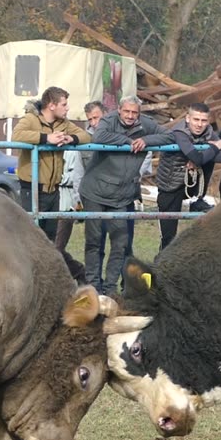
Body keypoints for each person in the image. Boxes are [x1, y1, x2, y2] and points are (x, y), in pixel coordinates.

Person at [78, 95, 170, 295]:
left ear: (139, 113)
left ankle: (110, 288)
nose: (130, 116)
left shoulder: (146, 124)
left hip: (122, 194)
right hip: (95, 191)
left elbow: (168, 136)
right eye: (126, 111)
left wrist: (145, 140)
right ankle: (94, 286)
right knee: (94, 240)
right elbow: (98, 137)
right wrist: (128, 141)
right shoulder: (108, 120)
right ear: (119, 110)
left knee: (120, 243)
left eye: (134, 112)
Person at [12, 86, 91, 240]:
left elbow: (85, 136)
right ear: (51, 105)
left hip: (54, 190)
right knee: (32, 237)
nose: (67, 108)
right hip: (33, 188)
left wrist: (71, 139)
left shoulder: (64, 123)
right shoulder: (30, 119)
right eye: (64, 104)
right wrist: (46, 138)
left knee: (49, 238)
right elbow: (16, 136)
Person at [154, 103, 221, 252]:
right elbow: (197, 157)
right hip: (170, 185)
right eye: (196, 119)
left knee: (202, 237)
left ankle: (198, 199)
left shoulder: (209, 132)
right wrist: (212, 148)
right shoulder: (179, 132)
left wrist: (203, 154)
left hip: (192, 184)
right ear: (188, 118)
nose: (199, 124)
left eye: (203, 120)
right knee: (168, 238)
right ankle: (161, 268)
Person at [57, 102, 104, 252]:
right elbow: (78, 173)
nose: (94, 123)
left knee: (120, 241)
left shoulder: (80, 137)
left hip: (113, 194)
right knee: (92, 242)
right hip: (73, 197)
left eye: (97, 118)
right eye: (90, 119)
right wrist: (79, 199)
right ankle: (85, 274)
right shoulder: (83, 140)